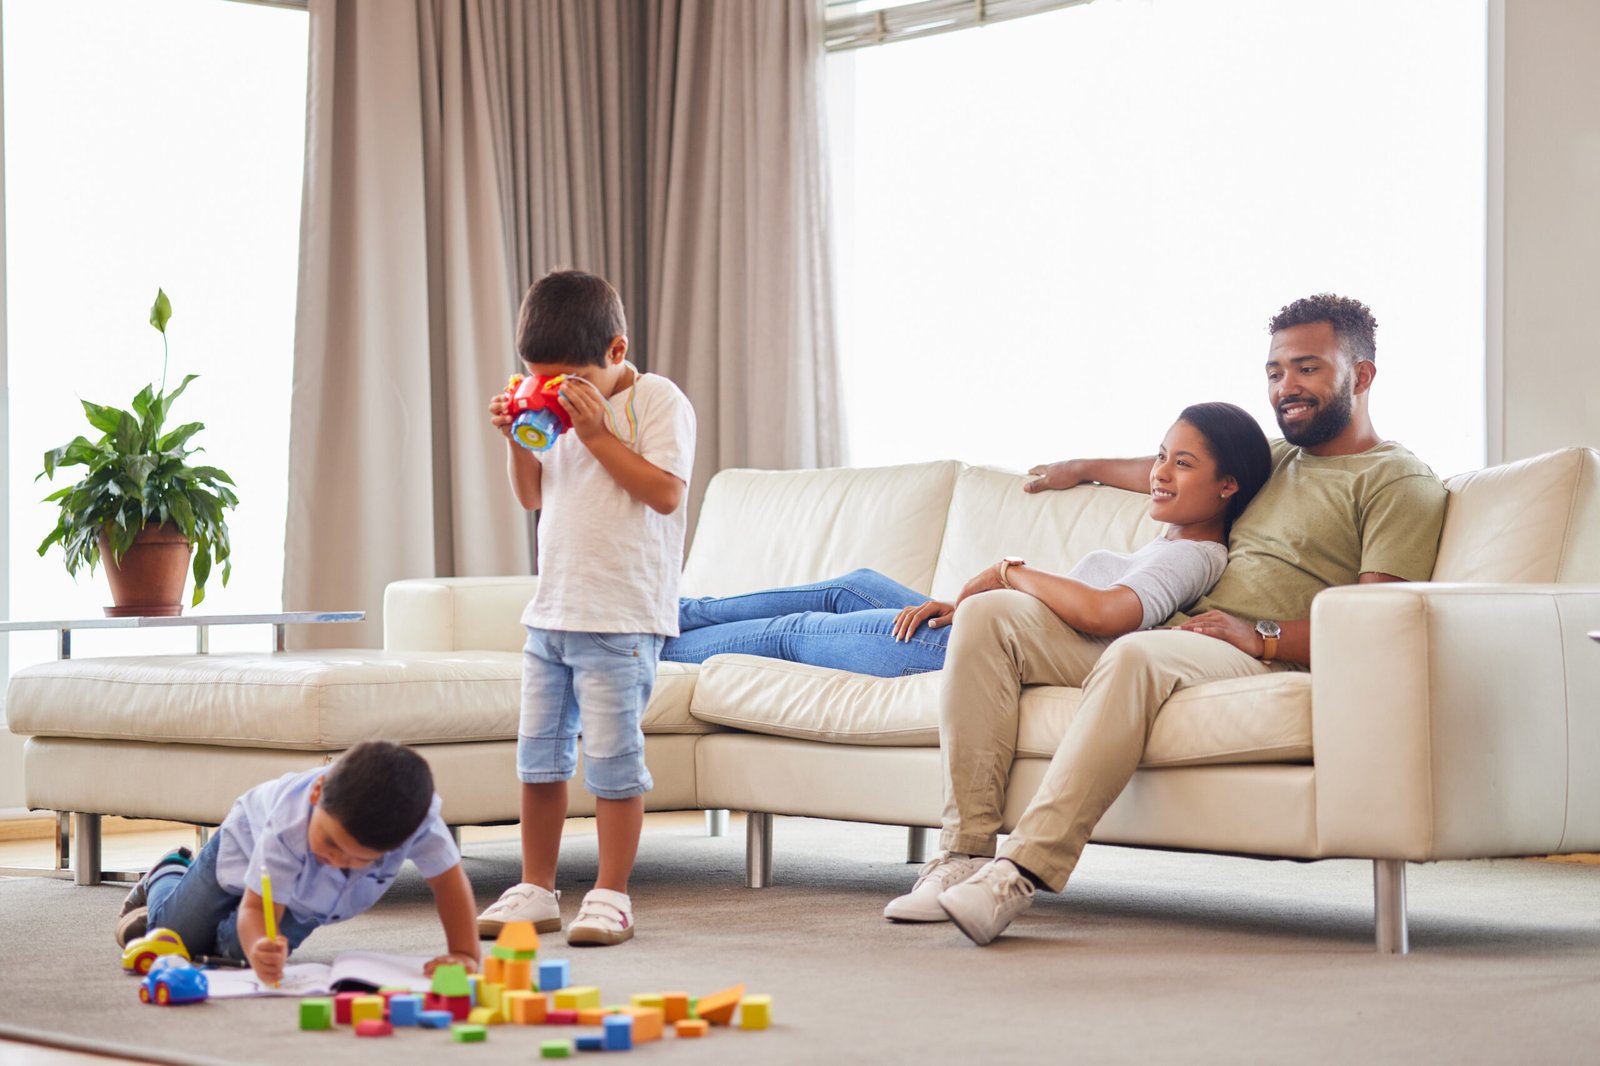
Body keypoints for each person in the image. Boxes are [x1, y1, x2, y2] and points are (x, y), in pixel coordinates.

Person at [891, 293, 1450, 944]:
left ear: (1360, 375)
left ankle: (1018, 874)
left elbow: (1373, 622)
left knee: (1136, 653)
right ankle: (962, 855)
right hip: (1181, 636)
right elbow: (1185, 470)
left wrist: (1261, 637)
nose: (1286, 388)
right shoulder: (1276, 461)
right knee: (991, 615)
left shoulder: (1397, 481)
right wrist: (1082, 469)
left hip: (1254, 651)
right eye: (1274, 372)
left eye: (1308, 369)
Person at [663, 403, 1273, 678]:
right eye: (1161, 456)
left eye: (1183, 465)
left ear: (1227, 485)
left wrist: (1006, 573)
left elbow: (1108, 612)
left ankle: (642, 650)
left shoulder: (1191, 557)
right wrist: (1081, 466)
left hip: (962, 655)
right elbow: (1145, 471)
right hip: (976, 629)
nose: (1160, 473)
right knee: (851, 587)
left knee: (790, 635)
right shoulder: (1172, 533)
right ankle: (672, 613)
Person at [475, 270, 696, 947]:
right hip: (551, 615)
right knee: (538, 761)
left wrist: (597, 434)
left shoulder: (657, 400)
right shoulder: (557, 411)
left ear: (617, 351)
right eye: (540, 380)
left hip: (620, 620)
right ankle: (537, 886)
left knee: (613, 763)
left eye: (569, 380)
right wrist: (520, 437)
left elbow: (665, 494)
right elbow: (532, 497)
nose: (556, 394)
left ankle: (610, 893)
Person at [114, 741, 478, 985]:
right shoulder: (289, 823)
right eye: (331, 842)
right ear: (317, 793)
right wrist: (255, 929)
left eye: (358, 861)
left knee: (246, 955)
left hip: (307, 899)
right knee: (172, 935)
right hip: (240, 851)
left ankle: (225, 931)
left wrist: (463, 953)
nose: (336, 860)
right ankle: (168, 871)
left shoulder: (419, 823)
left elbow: (449, 883)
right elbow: (256, 907)